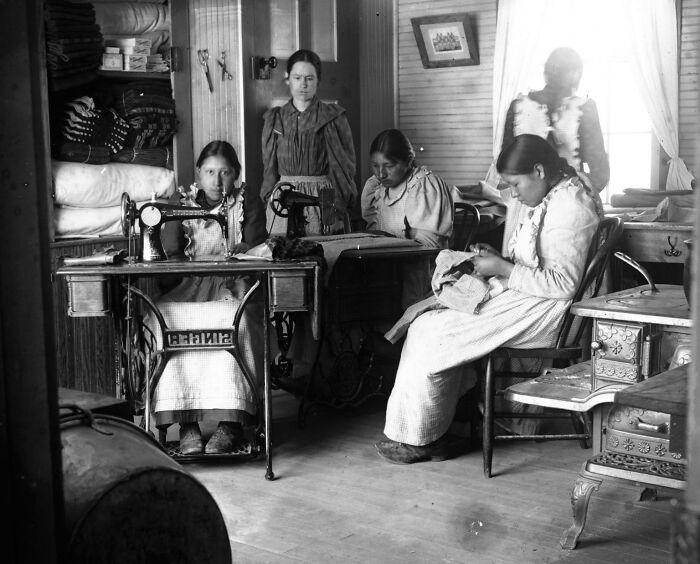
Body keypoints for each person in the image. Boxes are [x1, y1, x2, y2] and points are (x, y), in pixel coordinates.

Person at [375, 134, 603, 464]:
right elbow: (540, 262)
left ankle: (423, 439)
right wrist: (500, 260)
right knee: (430, 319)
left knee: (431, 331)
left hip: (551, 312)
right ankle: (433, 428)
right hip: (532, 297)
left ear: (538, 170)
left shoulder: (571, 206)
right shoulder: (554, 195)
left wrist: (502, 268)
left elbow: (564, 284)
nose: (512, 194)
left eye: (515, 184)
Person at [149, 140, 268, 455]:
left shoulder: (247, 200)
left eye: (226, 172)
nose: (218, 181)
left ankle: (230, 424)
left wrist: (241, 251)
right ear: (198, 174)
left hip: (234, 281)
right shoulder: (182, 201)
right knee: (164, 317)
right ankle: (187, 423)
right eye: (210, 172)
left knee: (236, 320)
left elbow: (256, 245)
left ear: (236, 174)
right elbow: (171, 252)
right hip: (190, 282)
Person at [261, 48, 357, 236]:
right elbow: (269, 169)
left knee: (325, 253)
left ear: (318, 81)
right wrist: (270, 200)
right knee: (284, 254)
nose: (303, 84)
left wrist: (336, 209)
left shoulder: (332, 117)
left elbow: (343, 168)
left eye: (309, 78)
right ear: (288, 79)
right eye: (297, 78)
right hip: (284, 196)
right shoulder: (275, 119)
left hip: (324, 196)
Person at [361, 128, 454, 307]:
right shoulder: (377, 188)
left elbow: (429, 247)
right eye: (375, 165)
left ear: (408, 160)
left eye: (388, 166)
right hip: (388, 270)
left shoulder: (424, 186)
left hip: (421, 275)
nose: (380, 174)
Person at [502, 47, 610, 194]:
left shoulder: (518, 107)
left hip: (535, 203)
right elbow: (600, 172)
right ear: (576, 74)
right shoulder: (585, 108)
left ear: (545, 74)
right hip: (566, 200)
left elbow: (506, 167)